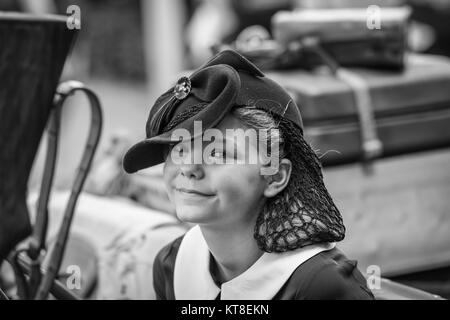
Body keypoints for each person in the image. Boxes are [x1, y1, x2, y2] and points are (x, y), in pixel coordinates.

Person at [122, 50, 374, 300]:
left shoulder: (321, 287)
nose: (188, 168)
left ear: (275, 175)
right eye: (179, 149)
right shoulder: (172, 265)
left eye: (218, 153)